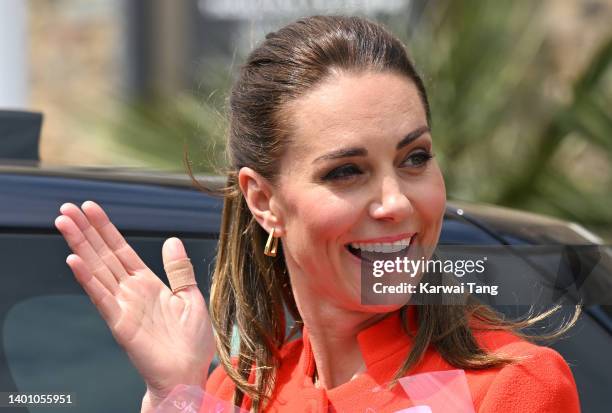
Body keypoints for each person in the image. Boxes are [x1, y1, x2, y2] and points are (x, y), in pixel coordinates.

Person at [54, 15, 581, 413]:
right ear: (263, 201)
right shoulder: (238, 395)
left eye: (414, 158)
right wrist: (176, 394)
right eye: (347, 171)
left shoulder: (511, 386)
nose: (395, 201)